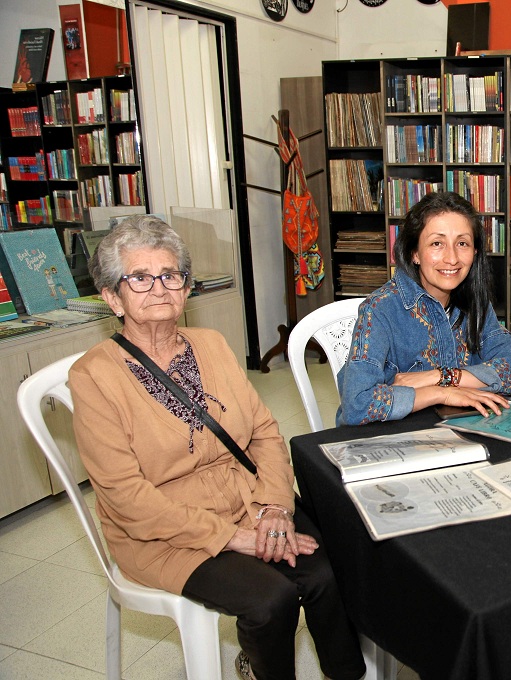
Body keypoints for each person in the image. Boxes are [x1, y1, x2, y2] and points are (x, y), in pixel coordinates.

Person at [69, 216, 365, 680]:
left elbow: (264, 432)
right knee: (272, 599)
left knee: (333, 570)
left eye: (171, 275)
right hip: (164, 531)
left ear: (186, 289)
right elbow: (126, 498)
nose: (159, 289)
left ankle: (346, 674)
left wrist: (275, 511)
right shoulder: (93, 377)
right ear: (111, 296)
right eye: (140, 278)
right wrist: (234, 538)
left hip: (247, 500)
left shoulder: (211, 344)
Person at [338, 191, 511, 425]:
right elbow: (357, 404)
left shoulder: (475, 300)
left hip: (455, 430)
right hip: (391, 440)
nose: (452, 258)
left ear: (475, 252)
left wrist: (438, 377)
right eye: (437, 243)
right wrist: (442, 392)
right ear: (415, 253)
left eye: (462, 243)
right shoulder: (380, 309)